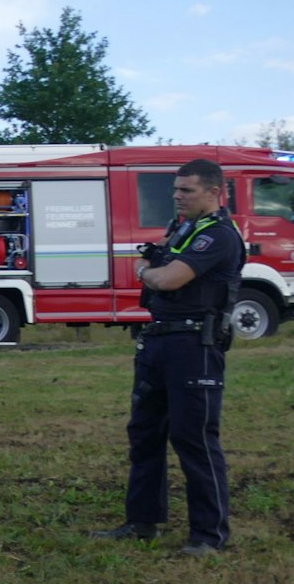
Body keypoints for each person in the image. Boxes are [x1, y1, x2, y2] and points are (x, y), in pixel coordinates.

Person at [91, 157, 245, 556]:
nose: (177, 197)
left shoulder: (219, 235)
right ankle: (142, 522)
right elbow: (159, 267)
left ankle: (208, 536)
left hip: (194, 347)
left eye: (187, 190)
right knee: (144, 433)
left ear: (214, 192)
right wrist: (153, 264)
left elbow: (168, 278)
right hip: (159, 340)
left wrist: (146, 270)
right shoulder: (183, 229)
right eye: (176, 190)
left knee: (193, 438)